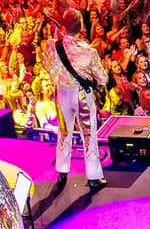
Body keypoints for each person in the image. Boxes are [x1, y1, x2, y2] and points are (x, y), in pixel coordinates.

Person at [46, 12, 107, 187]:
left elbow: (47, 65)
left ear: (64, 26)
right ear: (81, 26)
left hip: (62, 94)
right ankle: (93, 176)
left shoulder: (52, 46)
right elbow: (102, 79)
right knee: (88, 135)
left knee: (64, 132)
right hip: (81, 95)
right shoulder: (89, 51)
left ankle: (62, 171)